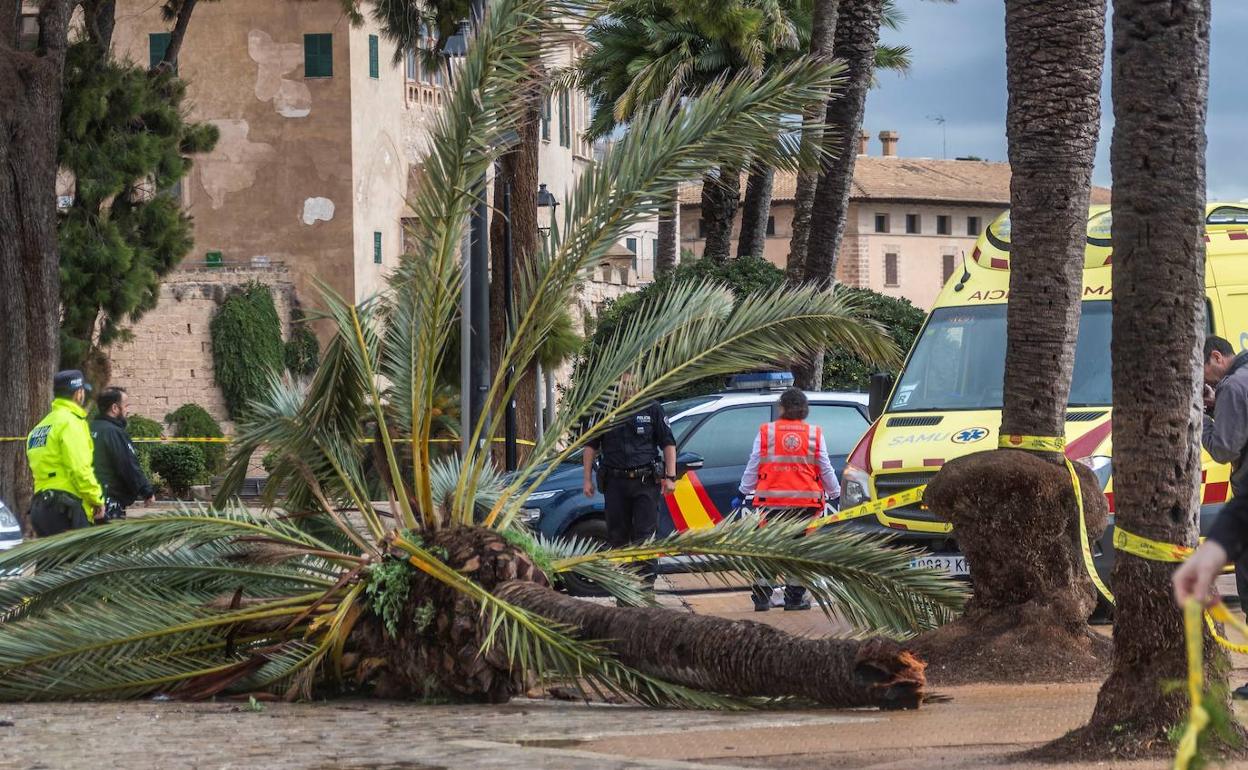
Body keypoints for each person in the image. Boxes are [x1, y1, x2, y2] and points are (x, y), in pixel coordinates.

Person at [1174, 335, 1248, 698]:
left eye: (1203, 370)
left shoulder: (1234, 385)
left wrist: (1202, 417)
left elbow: (1224, 449)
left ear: (1216, 357)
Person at [736, 388, 841, 612]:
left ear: (781, 407)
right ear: (805, 409)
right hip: (806, 505)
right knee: (798, 553)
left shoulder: (767, 432)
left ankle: (762, 599)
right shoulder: (813, 433)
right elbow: (824, 466)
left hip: (771, 503)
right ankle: (794, 600)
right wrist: (836, 493)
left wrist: (742, 492)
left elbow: (754, 463)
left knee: (769, 550)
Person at [582, 373, 677, 594]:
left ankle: (645, 587)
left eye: (631, 384)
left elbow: (668, 444)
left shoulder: (652, 408)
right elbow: (590, 447)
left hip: (645, 482)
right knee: (618, 536)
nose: (627, 388)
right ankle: (623, 587)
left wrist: (670, 477)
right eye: (623, 384)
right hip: (615, 483)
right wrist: (586, 480)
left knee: (645, 536)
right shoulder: (605, 412)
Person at [25, 370, 105, 536]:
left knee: (50, 562)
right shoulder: (71, 423)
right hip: (66, 508)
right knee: (75, 561)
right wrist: (96, 499)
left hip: (40, 507)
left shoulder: (40, 427)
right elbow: (79, 469)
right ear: (78, 393)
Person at [91, 387, 155, 520]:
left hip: (87, 500)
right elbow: (128, 465)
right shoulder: (114, 432)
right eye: (126, 406)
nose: (128, 410)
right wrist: (146, 491)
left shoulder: (87, 428)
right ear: (115, 408)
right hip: (109, 503)